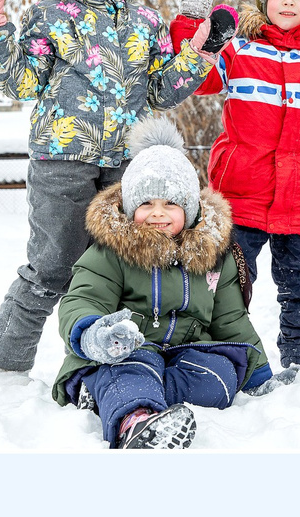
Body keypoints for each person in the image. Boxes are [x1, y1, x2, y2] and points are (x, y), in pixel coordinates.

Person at [0, 0, 222, 387]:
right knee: (53, 266)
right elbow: (22, 81)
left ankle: (120, 367)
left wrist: (202, 53)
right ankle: (1, 370)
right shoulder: (47, 15)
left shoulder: (144, 21)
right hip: (63, 158)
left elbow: (164, 89)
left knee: (128, 268)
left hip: (127, 162)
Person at [175, 0, 300, 374]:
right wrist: (191, 23)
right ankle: (217, 359)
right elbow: (194, 77)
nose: (289, 1)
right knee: (226, 282)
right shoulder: (238, 49)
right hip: (242, 194)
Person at [53, 118, 274, 449]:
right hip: (121, 351)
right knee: (134, 367)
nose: (158, 213)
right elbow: (83, 298)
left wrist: (260, 376)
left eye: (170, 203)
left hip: (183, 354)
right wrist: (94, 333)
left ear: (190, 206)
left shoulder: (214, 254)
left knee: (221, 376)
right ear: (130, 207)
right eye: (146, 204)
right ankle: (135, 422)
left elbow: (230, 320)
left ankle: (109, 392)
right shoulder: (113, 249)